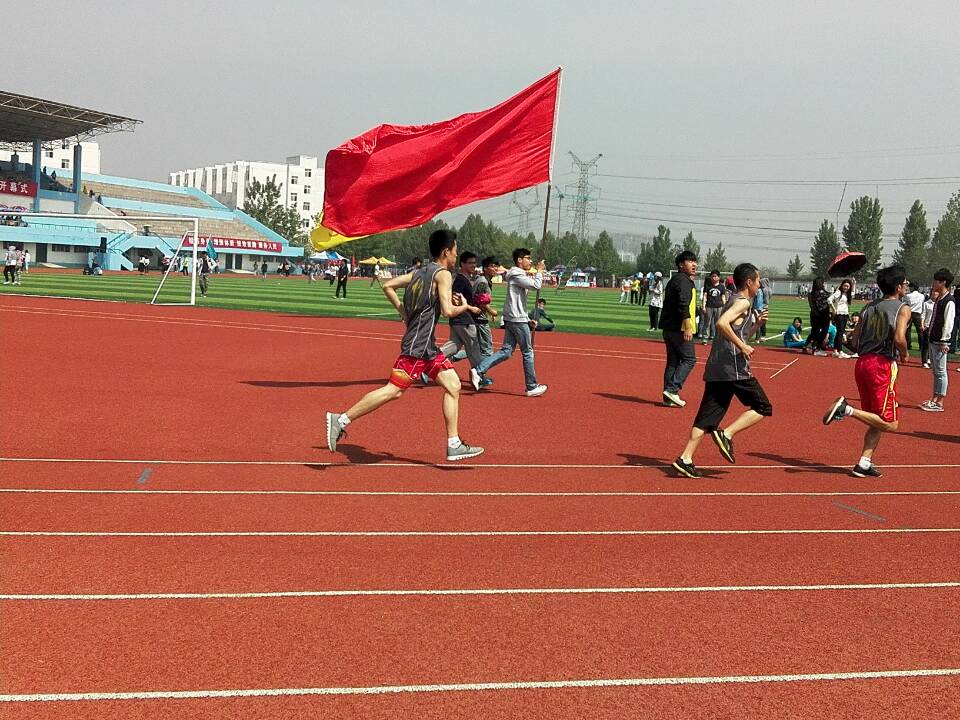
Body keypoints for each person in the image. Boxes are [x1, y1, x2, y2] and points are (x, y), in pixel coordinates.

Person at [325, 229, 484, 462]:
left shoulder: (419, 272)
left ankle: (454, 444)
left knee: (453, 385)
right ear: (446, 251)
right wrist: (467, 306)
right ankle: (340, 420)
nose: (456, 255)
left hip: (427, 347)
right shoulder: (443, 274)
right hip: (418, 346)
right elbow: (448, 311)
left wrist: (403, 311)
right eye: (455, 251)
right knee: (394, 390)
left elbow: (388, 285)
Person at [671, 263, 773, 478]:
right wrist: (742, 346)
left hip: (717, 367)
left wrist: (756, 326)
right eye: (758, 281)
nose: (759, 285)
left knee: (707, 416)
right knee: (763, 407)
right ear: (749, 282)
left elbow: (735, 331)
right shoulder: (743, 302)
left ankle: (685, 458)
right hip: (733, 368)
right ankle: (727, 434)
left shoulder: (733, 300)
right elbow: (721, 324)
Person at [823, 265, 912, 478]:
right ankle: (846, 410)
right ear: (898, 287)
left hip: (862, 363)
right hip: (882, 365)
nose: (906, 286)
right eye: (905, 283)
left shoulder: (868, 307)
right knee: (891, 423)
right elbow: (900, 338)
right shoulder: (903, 308)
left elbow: (854, 339)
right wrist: (905, 354)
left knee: (876, 418)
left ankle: (864, 462)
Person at [472, 247, 547, 397]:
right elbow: (536, 285)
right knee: (528, 352)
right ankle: (531, 386)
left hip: (515, 318)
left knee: (506, 351)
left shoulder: (516, 274)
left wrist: (527, 320)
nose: (530, 261)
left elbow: (518, 300)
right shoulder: (516, 273)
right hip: (516, 319)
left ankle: (478, 370)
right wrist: (539, 272)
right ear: (519, 260)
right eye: (528, 258)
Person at [438, 251, 485, 388]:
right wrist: (471, 308)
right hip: (464, 319)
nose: (473, 265)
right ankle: (479, 376)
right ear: (462, 264)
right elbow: (454, 298)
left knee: (453, 346)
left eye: (474, 263)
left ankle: (428, 364)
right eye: (470, 263)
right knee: (474, 349)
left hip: (458, 319)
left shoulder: (464, 279)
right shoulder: (460, 280)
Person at [660, 251, 699, 407]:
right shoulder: (684, 282)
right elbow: (683, 305)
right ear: (681, 265)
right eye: (690, 261)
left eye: (695, 261)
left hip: (669, 327)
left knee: (673, 362)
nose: (694, 264)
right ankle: (672, 390)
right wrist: (688, 327)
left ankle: (668, 397)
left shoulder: (675, 280)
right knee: (689, 359)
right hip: (679, 328)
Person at [920, 268, 956, 412]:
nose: (933, 283)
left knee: (941, 371)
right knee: (936, 371)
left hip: (940, 341)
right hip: (933, 338)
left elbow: (949, 322)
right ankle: (934, 398)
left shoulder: (949, 301)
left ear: (943, 282)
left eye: (936, 281)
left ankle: (939, 402)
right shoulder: (939, 299)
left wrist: (945, 341)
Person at [472, 256, 500, 382]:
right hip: (480, 319)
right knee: (487, 351)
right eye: (492, 266)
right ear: (485, 268)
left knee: (474, 349)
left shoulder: (486, 280)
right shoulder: (483, 281)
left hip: (479, 317)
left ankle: (440, 362)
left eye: (496, 266)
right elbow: (479, 300)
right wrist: (491, 311)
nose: (495, 269)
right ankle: (479, 375)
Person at [803, 277, 831, 356]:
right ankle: (816, 348)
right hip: (821, 315)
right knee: (820, 331)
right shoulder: (824, 294)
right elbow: (812, 305)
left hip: (817, 315)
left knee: (816, 331)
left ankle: (812, 346)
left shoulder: (812, 294)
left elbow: (812, 306)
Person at [829, 278, 854, 358]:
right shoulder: (838, 292)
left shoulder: (847, 294)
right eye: (845, 286)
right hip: (839, 314)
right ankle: (840, 351)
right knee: (840, 332)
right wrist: (834, 309)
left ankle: (835, 351)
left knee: (839, 333)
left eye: (848, 286)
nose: (846, 287)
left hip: (845, 314)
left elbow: (853, 292)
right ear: (842, 285)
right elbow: (829, 300)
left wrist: (854, 283)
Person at [700, 270, 724, 344]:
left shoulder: (722, 286)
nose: (714, 278)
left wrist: (724, 306)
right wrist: (703, 306)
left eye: (715, 276)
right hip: (709, 306)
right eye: (712, 276)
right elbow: (705, 296)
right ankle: (705, 338)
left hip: (718, 307)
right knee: (707, 323)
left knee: (718, 323)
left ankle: (717, 338)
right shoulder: (707, 286)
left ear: (719, 277)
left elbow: (723, 297)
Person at [903, 281, 926, 354]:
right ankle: (921, 346)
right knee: (919, 331)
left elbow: (905, 304)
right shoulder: (922, 296)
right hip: (918, 314)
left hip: (910, 313)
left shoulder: (908, 296)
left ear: (912, 287)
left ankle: (909, 345)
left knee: (908, 330)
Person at [921, 289, 938, 368]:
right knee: (926, 344)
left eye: (936, 293)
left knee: (934, 344)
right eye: (933, 293)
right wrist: (922, 324)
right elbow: (923, 314)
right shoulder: (926, 303)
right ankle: (924, 360)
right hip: (927, 325)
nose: (934, 294)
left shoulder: (939, 304)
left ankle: (930, 359)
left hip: (935, 326)